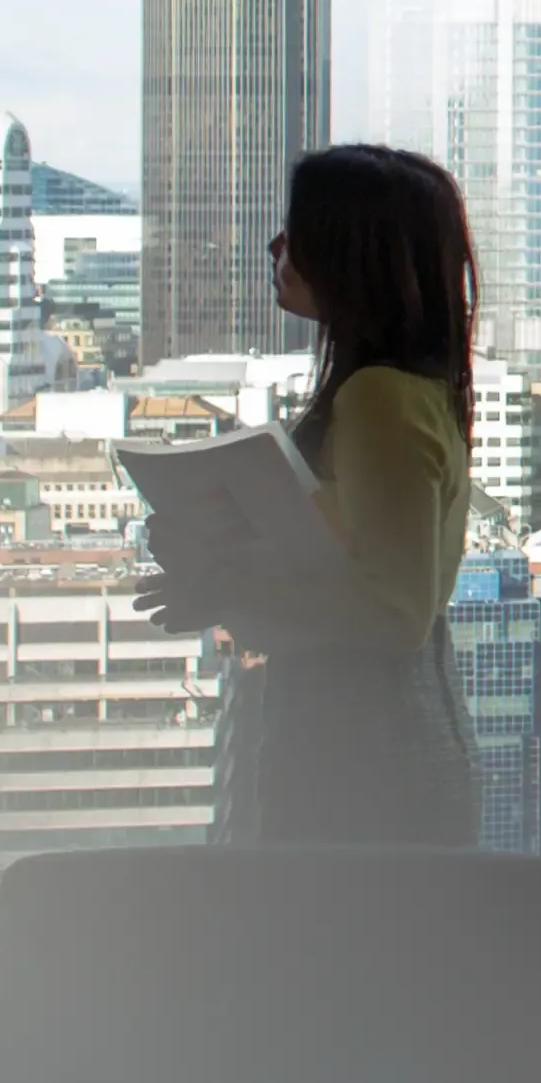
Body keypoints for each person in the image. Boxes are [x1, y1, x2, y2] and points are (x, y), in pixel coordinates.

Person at [139, 143, 480, 847]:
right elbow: (347, 575)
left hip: (364, 758)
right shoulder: (407, 390)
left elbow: (391, 617)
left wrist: (228, 588)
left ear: (354, 251)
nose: (276, 244)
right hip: (381, 740)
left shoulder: (379, 398)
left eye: (299, 228)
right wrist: (216, 554)